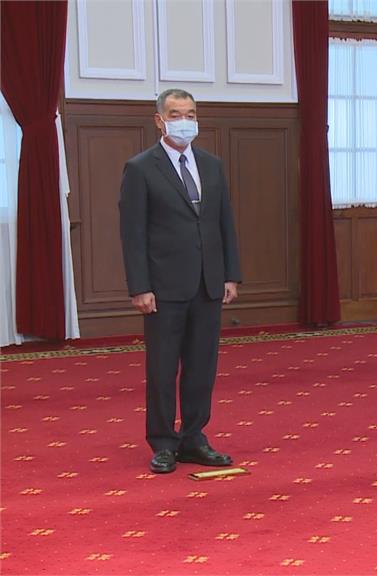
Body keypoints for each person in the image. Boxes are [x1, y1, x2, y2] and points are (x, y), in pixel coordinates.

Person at [119, 89, 241, 474]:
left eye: (190, 113)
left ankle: (193, 438)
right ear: (159, 120)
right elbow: (132, 233)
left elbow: (224, 223)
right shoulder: (140, 168)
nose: (184, 121)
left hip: (208, 283)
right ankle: (162, 442)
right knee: (162, 368)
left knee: (202, 366)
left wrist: (230, 274)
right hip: (163, 288)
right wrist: (140, 286)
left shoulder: (212, 165)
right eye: (175, 114)